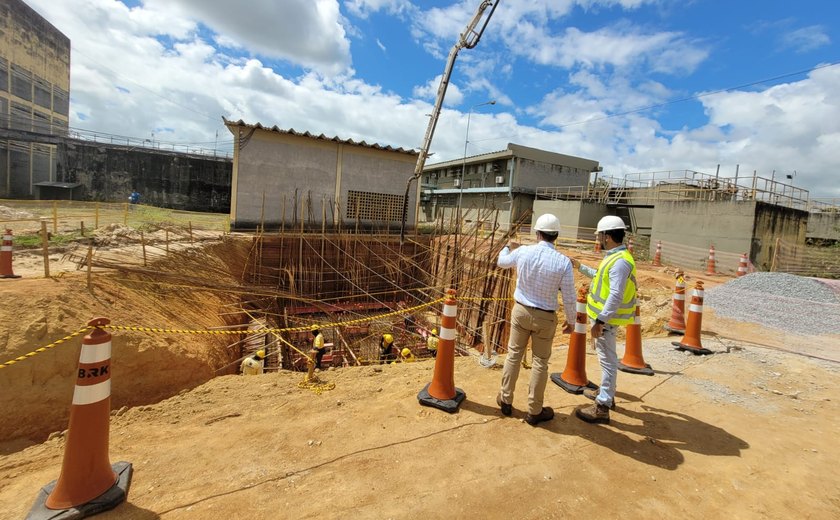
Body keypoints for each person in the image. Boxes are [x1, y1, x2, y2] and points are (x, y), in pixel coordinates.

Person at [496, 213, 576, 426]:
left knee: (513, 355)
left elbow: (501, 262)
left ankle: (505, 400)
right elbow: (569, 296)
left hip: (521, 311)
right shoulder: (563, 262)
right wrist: (571, 321)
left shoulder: (523, 252)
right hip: (545, 318)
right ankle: (534, 410)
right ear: (556, 235)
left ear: (537, 233)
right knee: (540, 362)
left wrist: (508, 246)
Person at [571, 215, 637, 425]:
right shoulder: (615, 257)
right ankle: (606, 394)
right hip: (605, 319)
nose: (598, 238)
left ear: (607, 236)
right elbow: (600, 277)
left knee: (608, 362)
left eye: (600, 235)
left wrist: (600, 321)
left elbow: (615, 295)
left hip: (606, 321)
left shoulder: (619, 262)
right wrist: (580, 266)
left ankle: (602, 406)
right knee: (606, 359)